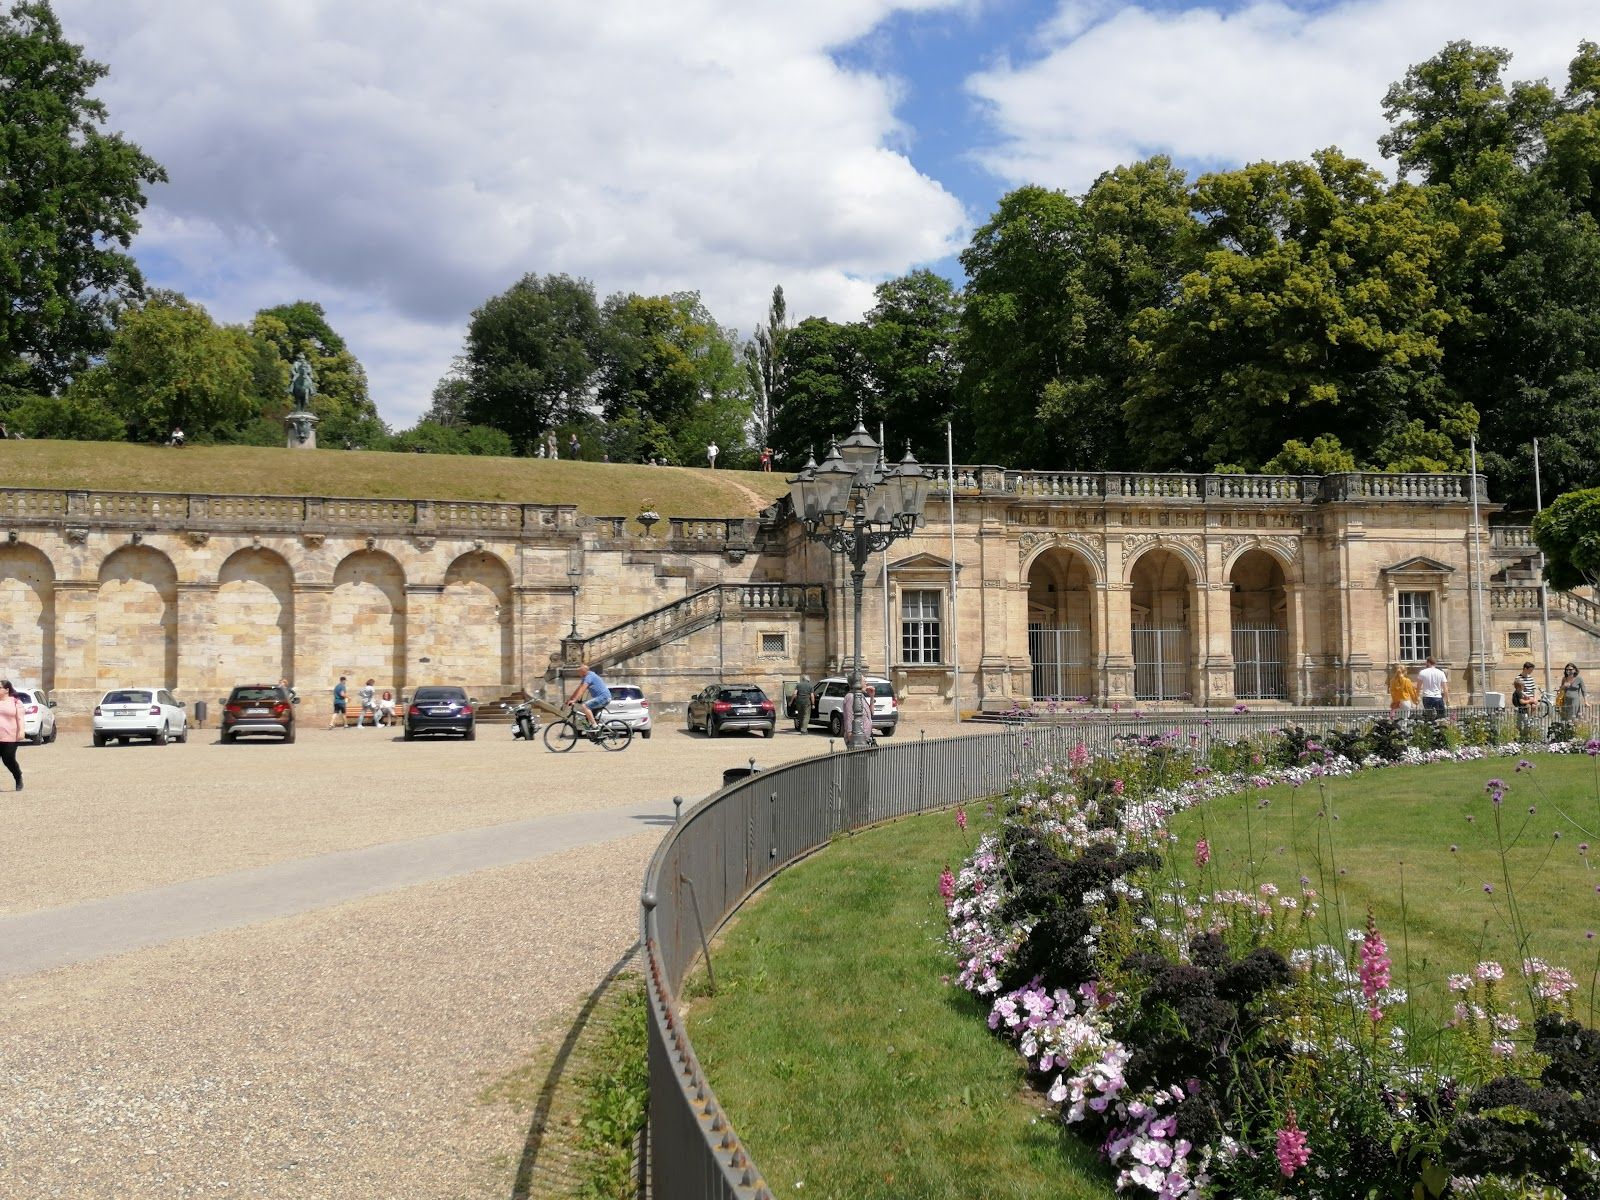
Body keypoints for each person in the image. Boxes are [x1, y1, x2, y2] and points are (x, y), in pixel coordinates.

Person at [567, 662, 611, 731]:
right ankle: (596, 734)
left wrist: (574, 700)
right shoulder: (586, 677)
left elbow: (582, 690)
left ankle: (595, 726)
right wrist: (570, 699)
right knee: (589, 715)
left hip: (603, 697)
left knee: (585, 706)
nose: (578, 673)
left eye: (579, 671)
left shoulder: (589, 677)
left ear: (583, 671)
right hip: (603, 698)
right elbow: (578, 689)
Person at [0, 679, 24, 791]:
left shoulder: (15, 702)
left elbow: (20, 718)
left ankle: (18, 776)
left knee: (8, 759)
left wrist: (21, 731)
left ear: (6, 690)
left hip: (10, 736)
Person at [1511, 661, 1540, 725]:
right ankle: (1527, 721)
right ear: (1525, 669)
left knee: (1534, 706)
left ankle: (1532, 720)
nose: (1531, 672)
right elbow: (1518, 690)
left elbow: (1534, 689)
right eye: (1530, 670)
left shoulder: (1531, 678)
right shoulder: (1518, 678)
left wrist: (1535, 698)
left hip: (1531, 697)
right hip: (1524, 697)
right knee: (1528, 707)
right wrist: (1527, 696)